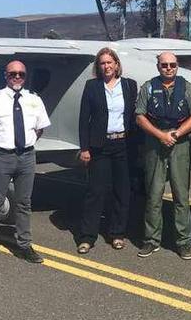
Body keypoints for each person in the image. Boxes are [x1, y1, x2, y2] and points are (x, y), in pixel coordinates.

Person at [0, 60, 51, 271]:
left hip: (26, 157)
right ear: (5, 76)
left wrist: (27, 142)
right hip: (1, 157)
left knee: (24, 203)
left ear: (25, 77)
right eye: (12, 74)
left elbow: (40, 128)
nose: (17, 77)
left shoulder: (34, 100)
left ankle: (24, 245)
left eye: (21, 74)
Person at [135, 51, 191, 260]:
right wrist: (160, 135)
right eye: (164, 65)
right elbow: (140, 117)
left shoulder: (187, 87)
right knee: (154, 195)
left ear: (177, 66)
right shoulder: (148, 87)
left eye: (172, 65)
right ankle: (151, 240)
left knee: (181, 195)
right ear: (158, 67)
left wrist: (176, 134)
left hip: (179, 143)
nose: (169, 68)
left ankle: (183, 242)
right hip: (155, 143)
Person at [76, 47, 138, 254]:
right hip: (100, 145)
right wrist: (85, 148)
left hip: (123, 144)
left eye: (110, 62)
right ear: (98, 66)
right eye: (102, 63)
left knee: (122, 191)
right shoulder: (92, 86)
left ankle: (118, 233)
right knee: (96, 191)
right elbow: (84, 119)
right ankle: (87, 236)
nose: (106, 66)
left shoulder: (129, 86)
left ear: (117, 65)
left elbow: (134, 116)